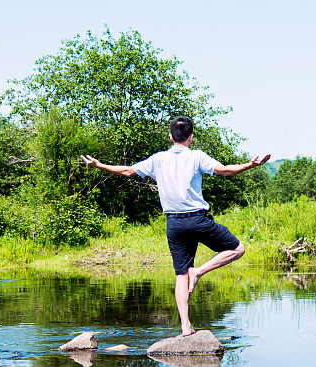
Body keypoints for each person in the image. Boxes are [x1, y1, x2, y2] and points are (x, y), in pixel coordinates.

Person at [81, 115, 270, 336]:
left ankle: (185, 326)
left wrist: (99, 165)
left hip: (174, 224)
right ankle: (199, 272)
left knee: (181, 275)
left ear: (170, 136)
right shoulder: (197, 157)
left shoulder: (158, 159)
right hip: (198, 220)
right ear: (191, 137)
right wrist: (251, 165)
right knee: (238, 249)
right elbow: (225, 170)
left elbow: (128, 171)